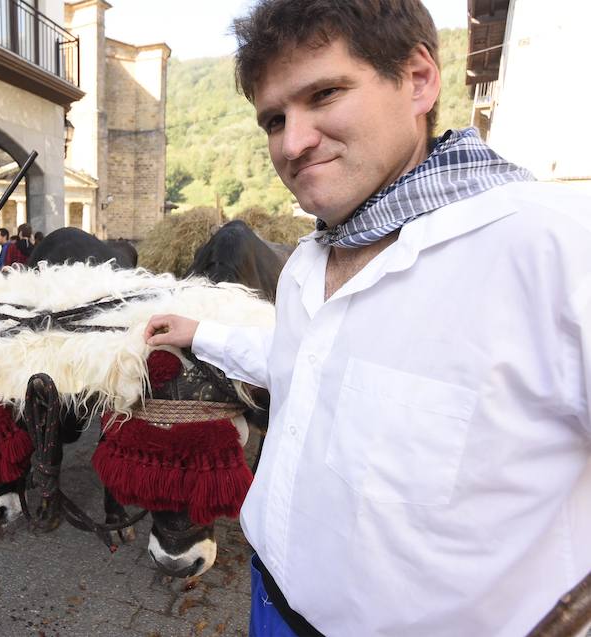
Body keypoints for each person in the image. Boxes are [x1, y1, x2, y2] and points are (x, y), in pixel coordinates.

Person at [144, 1, 591, 635]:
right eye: (275, 118)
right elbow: (297, 366)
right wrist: (202, 333)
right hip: (269, 600)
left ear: (417, 80)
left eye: (324, 93)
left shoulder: (556, 251)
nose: (293, 143)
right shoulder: (306, 263)